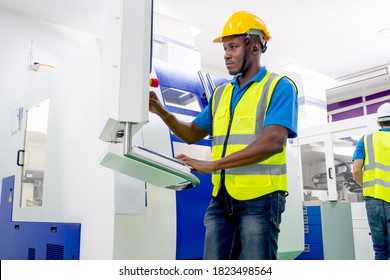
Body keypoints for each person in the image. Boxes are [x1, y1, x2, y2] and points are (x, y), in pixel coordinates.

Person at [149, 11, 298, 260]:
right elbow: (193, 133)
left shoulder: (279, 86)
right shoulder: (220, 94)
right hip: (222, 197)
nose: (227, 54)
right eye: (225, 48)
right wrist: (161, 112)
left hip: (261, 199)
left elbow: (274, 141)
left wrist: (213, 164)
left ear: (255, 47)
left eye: (234, 47)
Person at [352, 102, 390, 260]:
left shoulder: (366, 140)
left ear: (378, 122)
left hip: (373, 200)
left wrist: (367, 187)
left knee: (380, 250)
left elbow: (355, 171)